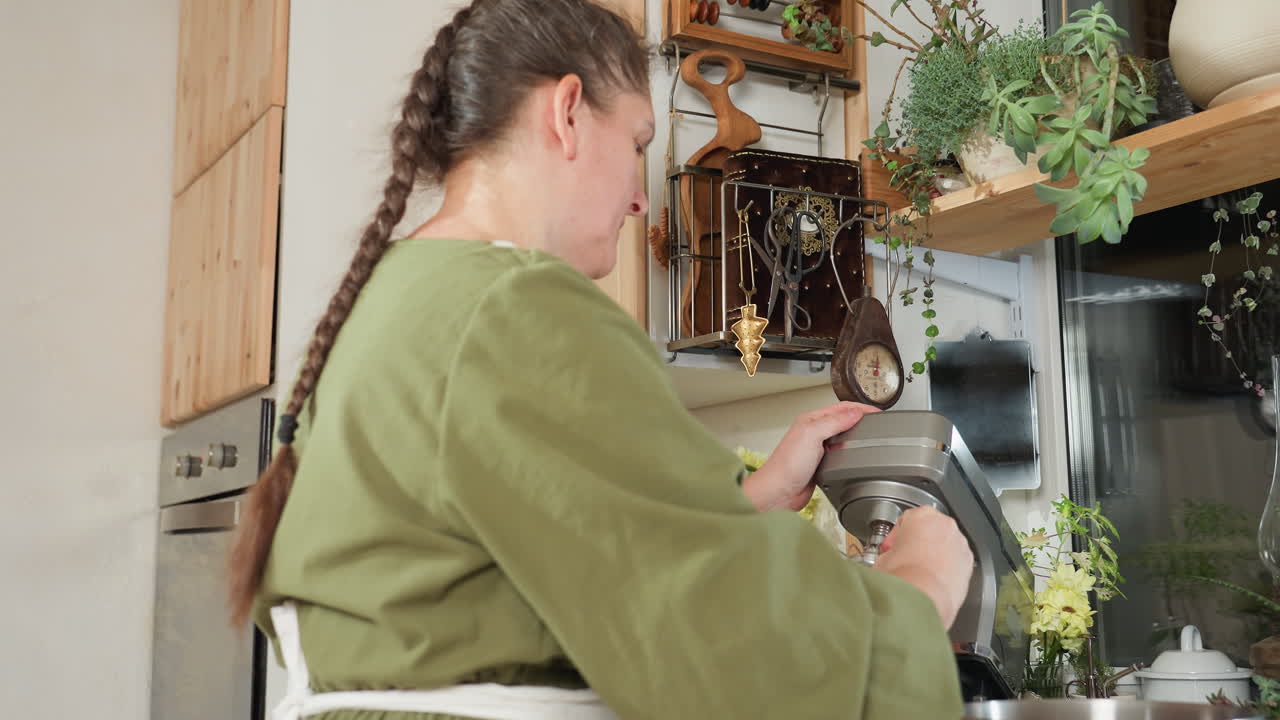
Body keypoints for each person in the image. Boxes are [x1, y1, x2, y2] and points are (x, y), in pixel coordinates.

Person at [227, 1, 975, 718]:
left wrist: (751, 500)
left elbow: (503, 563)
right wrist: (919, 588)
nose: (641, 201)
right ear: (567, 112)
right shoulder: (518, 308)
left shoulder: (397, 296)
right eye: (640, 143)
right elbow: (723, 650)